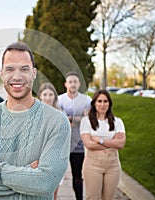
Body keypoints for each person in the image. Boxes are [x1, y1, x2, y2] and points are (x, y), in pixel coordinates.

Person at [0, 42, 71, 199]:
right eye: (10, 69)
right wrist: (28, 179)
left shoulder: (57, 122)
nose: (17, 76)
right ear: (2, 74)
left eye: (24, 69)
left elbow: (46, 183)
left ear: (34, 73)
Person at [80, 89, 126, 200]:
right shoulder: (86, 121)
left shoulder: (117, 122)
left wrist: (100, 140)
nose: (102, 104)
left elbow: (121, 144)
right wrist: (112, 142)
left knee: (109, 198)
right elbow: (89, 144)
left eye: (105, 101)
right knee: (93, 198)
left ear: (109, 103)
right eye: (99, 101)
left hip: (113, 165)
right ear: (94, 103)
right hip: (93, 165)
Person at [58, 71, 91, 200]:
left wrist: (71, 119)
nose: (72, 84)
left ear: (79, 84)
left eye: (75, 82)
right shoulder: (59, 99)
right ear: (66, 84)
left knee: (77, 177)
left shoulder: (86, 100)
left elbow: (87, 119)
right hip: (61, 145)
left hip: (78, 145)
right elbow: (60, 119)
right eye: (70, 82)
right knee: (55, 176)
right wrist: (79, 118)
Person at [37, 82, 64, 200]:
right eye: (45, 94)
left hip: (55, 160)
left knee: (53, 194)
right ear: (40, 97)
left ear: (55, 97)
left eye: (50, 94)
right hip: (36, 160)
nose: (48, 98)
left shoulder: (61, 116)